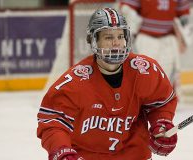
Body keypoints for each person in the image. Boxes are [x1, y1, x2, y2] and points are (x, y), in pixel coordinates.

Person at [37, 8, 178, 160]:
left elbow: (161, 103)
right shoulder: (74, 82)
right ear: (93, 40)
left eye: (120, 36)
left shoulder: (145, 70)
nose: (116, 43)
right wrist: (61, 150)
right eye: (108, 37)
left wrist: (161, 122)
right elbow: (53, 122)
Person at [119, 0, 191, 101]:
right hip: (146, 39)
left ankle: (162, 105)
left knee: (166, 78)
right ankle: (139, 103)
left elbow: (183, 14)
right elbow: (127, 9)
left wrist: (183, 31)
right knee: (143, 76)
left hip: (168, 39)